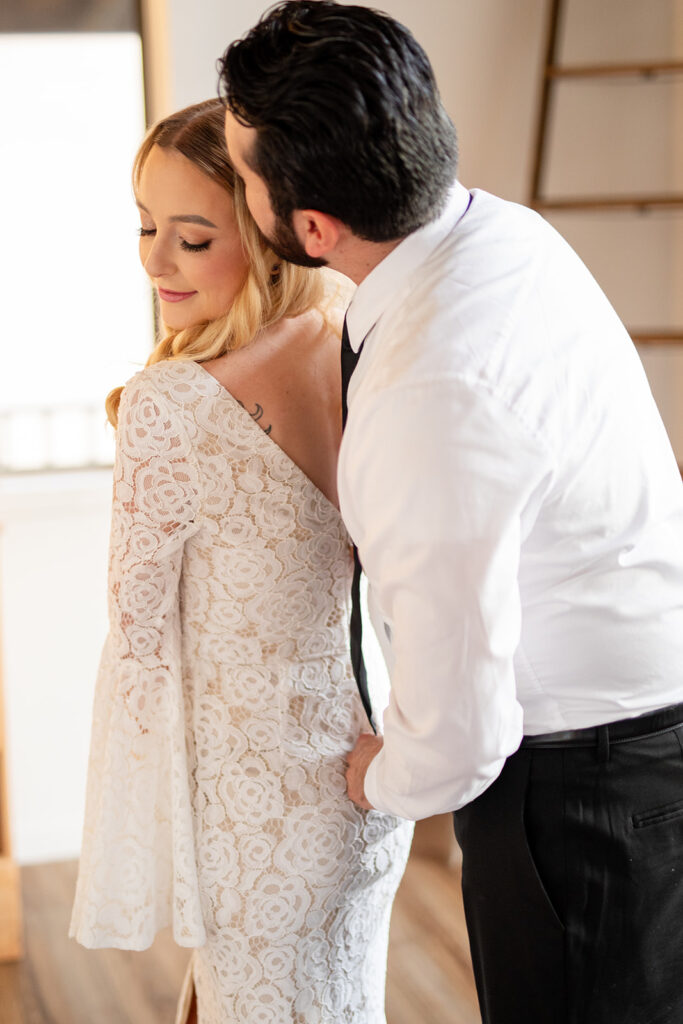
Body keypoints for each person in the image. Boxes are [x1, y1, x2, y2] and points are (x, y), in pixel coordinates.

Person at [218, 3, 683, 1022]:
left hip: (578, 791)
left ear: (308, 229)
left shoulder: (428, 392)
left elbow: (463, 737)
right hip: (640, 722)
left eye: (238, 170)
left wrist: (380, 775)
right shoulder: (498, 230)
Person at [69, 98, 413, 1024]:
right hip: (366, 781)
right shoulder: (352, 328)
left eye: (190, 238)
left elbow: (137, 636)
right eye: (146, 229)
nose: (154, 262)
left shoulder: (171, 405)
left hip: (248, 821)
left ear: (265, 237)